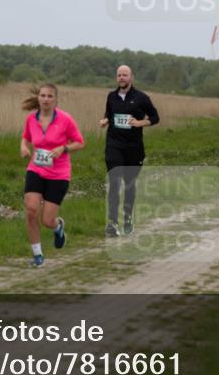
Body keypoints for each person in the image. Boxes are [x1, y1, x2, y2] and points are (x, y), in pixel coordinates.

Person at [20, 83, 85, 267]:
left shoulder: (65, 119)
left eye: (50, 96)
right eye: (43, 95)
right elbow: (26, 137)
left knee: (47, 220)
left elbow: (80, 142)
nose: (46, 99)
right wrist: (23, 147)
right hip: (36, 169)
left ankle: (58, 227)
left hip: (58, 174)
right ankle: (37, 255)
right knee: (31, 210)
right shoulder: (31, 119)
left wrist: (64, 148)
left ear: (56, 99)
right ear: (38, 98)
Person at [98, 65, 160, 237]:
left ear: (131, 77)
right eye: (119, 75)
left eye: (124, 75)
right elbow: (109, 114)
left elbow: (155, 117)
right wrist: (105, 120)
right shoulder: (111, 96)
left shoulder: (141, 98)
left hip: (133, 148)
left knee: (129, 185)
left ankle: (127, 218)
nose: (121, 78)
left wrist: (140, 123)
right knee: (114, 183)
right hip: (114, 145)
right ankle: (112, 223)